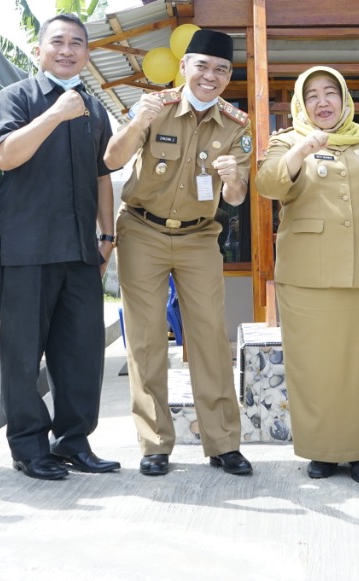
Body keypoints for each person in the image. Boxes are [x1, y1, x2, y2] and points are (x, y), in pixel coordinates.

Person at [256, 66, 359, 484]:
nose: (322, 102)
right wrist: (301, 151)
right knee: (315, 367)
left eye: (331, 93)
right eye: (312, 95)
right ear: (301, 104)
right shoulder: (286, 140)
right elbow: (268, 185)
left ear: (345, 99)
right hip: (307, 274)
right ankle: (321, 451)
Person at [105, 28, 253, 477]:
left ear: (229, 76)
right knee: (147, 340)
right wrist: (137, 123)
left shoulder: (236, 124)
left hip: (199, 237)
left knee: (209, 337)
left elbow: (238, 197)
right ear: (185, 66)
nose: (211, 76)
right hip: (143, 232)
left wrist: (232, 180)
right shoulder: (154, 106)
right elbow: (112, 160)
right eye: (202, 66)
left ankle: (223, 443)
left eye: (221, 69)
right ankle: (154, 443)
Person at [0, 13, 117, 481]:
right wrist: (55, 113)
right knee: (23, 357)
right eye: (57, 42)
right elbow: (6, 156)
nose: (67, 50)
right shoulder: (17, 97)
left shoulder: (95, 107)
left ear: (87, 52)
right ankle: (29, 447)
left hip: (81, 251)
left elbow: (103, 175)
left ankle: (73, 441)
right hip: (26, 249)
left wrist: (108, 237)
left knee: (82, 354)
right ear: (38, 49)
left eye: (77, 43)